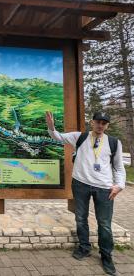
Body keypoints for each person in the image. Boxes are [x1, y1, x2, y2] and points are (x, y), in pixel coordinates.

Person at [45, 111, 126, 276]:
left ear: (107, 125)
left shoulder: (114, 143)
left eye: (104, 123)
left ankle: (106, 256)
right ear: (92, 122)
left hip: (104, 188)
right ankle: (84, 247)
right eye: (98, 122)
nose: (100, 125)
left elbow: (119, 167)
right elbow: (57, 136)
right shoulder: (79, 137)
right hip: (80, 184)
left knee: (104, 223)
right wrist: (51, 127)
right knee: (81, 218)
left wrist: (119, 185)